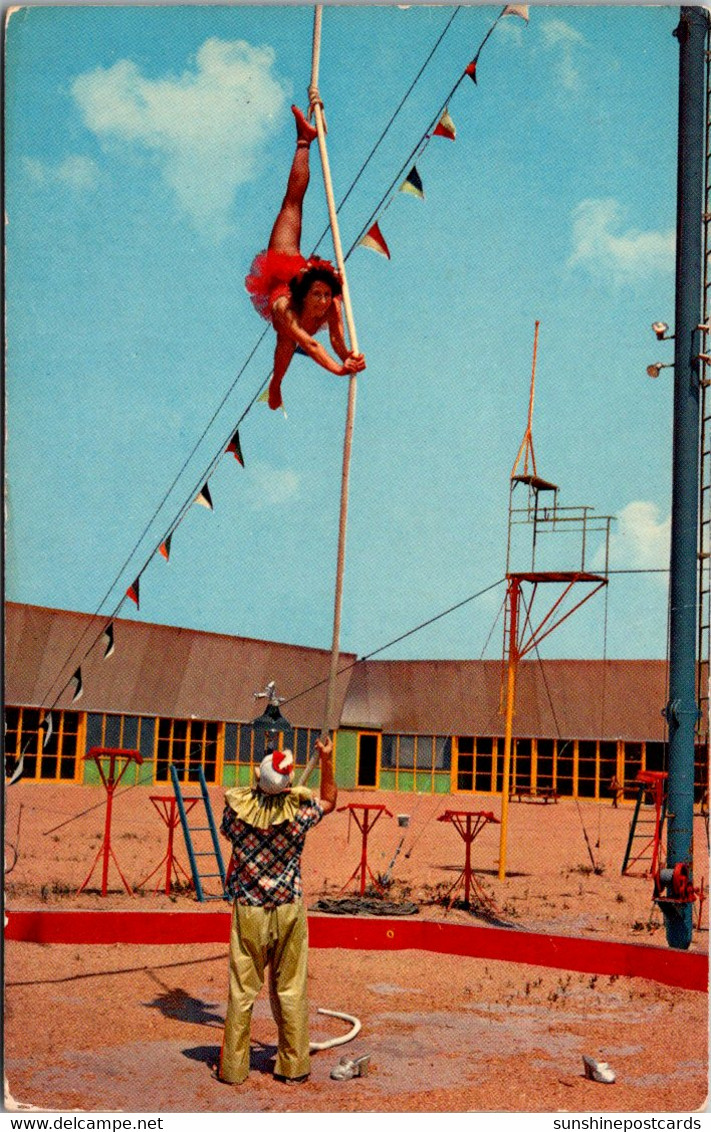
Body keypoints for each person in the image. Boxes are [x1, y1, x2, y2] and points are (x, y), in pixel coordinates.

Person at [217, 736, 337, 1085]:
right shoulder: (299, 815)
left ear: (258, 778)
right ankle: (293, 1065)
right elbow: (329, 800)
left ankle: (234, 1069)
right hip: (288, 909)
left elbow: (233, 822)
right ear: (287, 787)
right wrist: (326, 761)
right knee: (291, 988)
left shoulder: (236, 816)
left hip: (250, 910)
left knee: (242, 991)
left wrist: (267, 788)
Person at [245, 105, 366, 411]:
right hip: (284, 279)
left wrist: (348, 356)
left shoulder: (332, 305)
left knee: (285, 345)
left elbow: (336, 341)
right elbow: (311, 345)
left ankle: (304, 139)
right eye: (319, 295)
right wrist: (340, 369)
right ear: (306, 292)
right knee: (292, 204)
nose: (324, 301)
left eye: (327, 295)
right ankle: (304, 141)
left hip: (299, 276)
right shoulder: (286, 308)